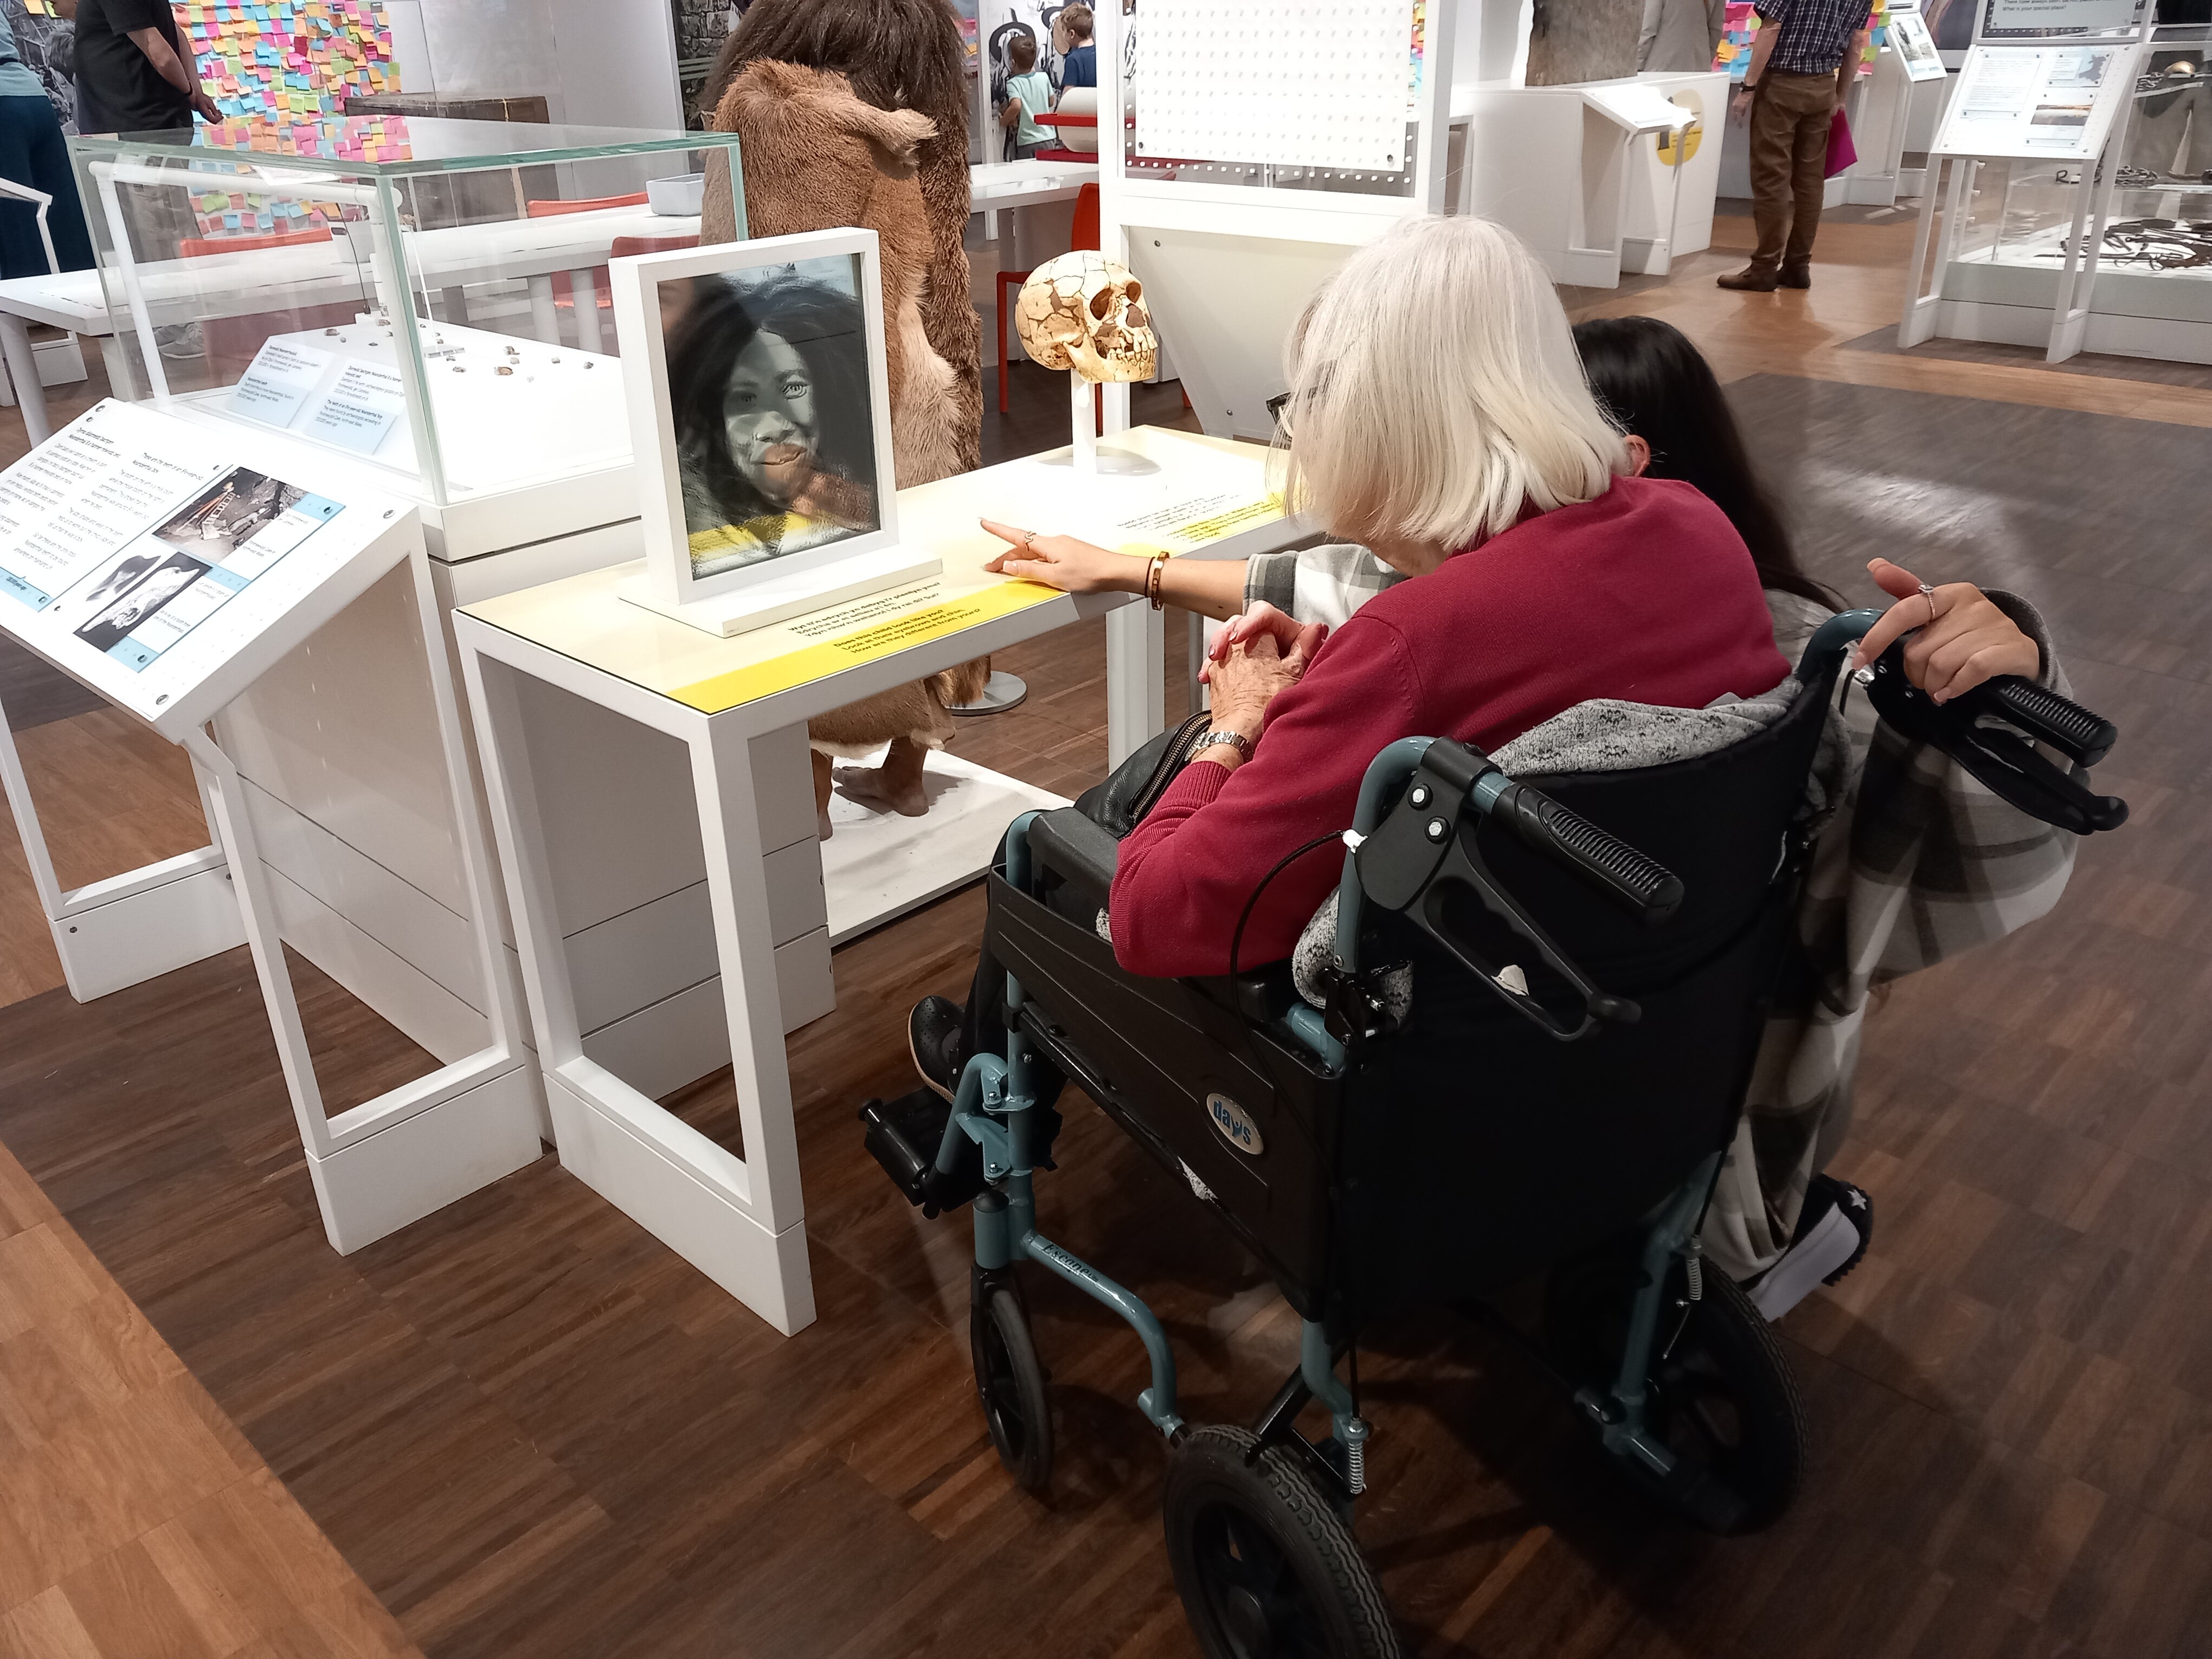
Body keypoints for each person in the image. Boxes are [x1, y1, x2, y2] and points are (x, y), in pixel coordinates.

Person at [668, 274, 881, 577]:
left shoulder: (864, 489)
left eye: (793, 389)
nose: (774, 427)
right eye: (745, 400)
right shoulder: (693, 528)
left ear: (828, 394)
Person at [1718, 0, 1873, 292]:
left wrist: (1748, 87)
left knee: (1771, 177)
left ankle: (1764, 267)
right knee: (1810, 181)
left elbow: (1771, 28)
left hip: (1781, 84)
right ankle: (1798, 266)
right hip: (1823, 86)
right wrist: (1840, 96)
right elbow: (1855, 42)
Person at [0, 4, 92, 278]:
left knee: (16, 216)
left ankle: (27, 302)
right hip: (33, 96)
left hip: (5, 109)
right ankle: (86, 291)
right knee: (63, 212)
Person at [69, 0, 217, 136]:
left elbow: (162, 57)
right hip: (144, 124)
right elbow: (177, 35)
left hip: (137, 129)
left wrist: (190, 92)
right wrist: (195, 92)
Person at [999, 32, 1053, 162]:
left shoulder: (1014, 83)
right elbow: (1051, 101)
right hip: (1048, 137)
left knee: (1029, 173)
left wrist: (1004, 121)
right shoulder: (1044, 77)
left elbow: (1016, 106)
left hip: (1028, 141)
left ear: (1013, 63)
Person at [1638, 0, 1726, 73]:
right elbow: (1716, 30)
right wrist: (1705, 59)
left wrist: (1639, 64)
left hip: (1661, 67)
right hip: (1699, 68)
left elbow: (1648, 29)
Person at [1055, 3, 1096, 89]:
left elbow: (1069, 93)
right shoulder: (1101, 53)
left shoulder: (1073, 60)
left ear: (1072, 34)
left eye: (1064, 30)